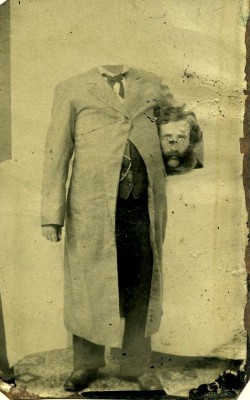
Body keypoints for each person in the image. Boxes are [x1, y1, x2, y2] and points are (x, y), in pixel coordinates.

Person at [41, 64, 203, 391]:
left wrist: (183, 149)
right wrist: (51, 215)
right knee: (89, 287)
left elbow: (185, 124)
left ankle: (136, 366)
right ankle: (85, 365)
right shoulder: (71, 87)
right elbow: (56, 153)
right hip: (91, 210)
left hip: (141, 206)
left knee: (140, 286)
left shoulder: (153, 82)